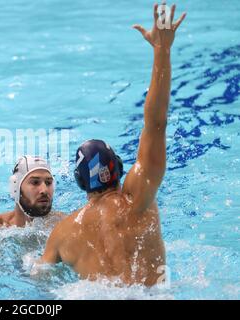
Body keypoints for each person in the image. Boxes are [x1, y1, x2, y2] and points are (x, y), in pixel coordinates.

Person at [38, 3, 186, 287]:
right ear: (118, 168)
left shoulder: (62, 234)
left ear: (81, 182)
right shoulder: (137, 199)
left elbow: (39, 279)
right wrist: (162, 49)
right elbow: (156, 124)